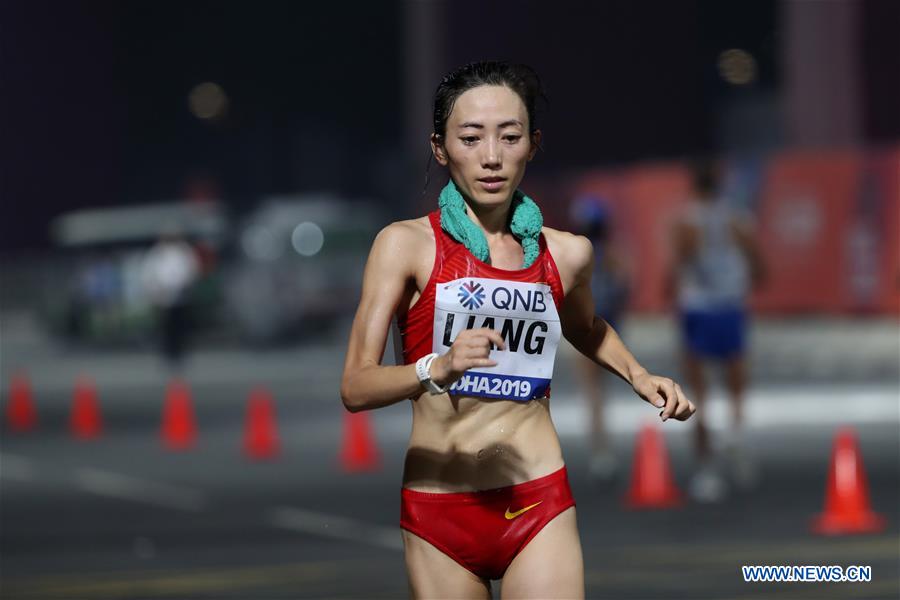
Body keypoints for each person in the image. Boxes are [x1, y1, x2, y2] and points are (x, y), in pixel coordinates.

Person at [341, 61, 695, 599]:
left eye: (510, 137)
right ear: (440, 149)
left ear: (532, 144)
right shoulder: (404, 246)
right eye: (471, 137)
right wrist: (436, 367)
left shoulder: (568, 253)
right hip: (440, 507)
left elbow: (587, 327)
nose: (491, 156)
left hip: (537, 498)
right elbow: (356, 386)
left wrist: (639, 375)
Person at [670, 160, 764, 503]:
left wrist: (671, 290)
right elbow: (758, 262)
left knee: (698, 393)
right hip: (730, 305)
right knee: (736, 383)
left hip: (698, 307)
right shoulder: (737, 218)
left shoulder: (686, 220)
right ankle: (737, 439)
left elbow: (679, 262)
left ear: (694, 186)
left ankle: (707, 470)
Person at [569, 198, 631, 482]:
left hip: (587, 323)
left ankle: (601, 449)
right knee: (603, 389)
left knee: (593, 392)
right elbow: (625, 284)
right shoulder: (612, 253)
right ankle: (604, 446)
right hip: (607, 322)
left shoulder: (578, 254)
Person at [141, 227, 200, 369]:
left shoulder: (184, 252)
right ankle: (167, 355)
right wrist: (155, 290)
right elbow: (148, 274)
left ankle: (179, 355)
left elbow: (191, 270)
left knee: (179, 327)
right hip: (163, 298)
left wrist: (185, 285)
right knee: (165, 328)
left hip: (180, 297)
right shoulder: (156, 254)